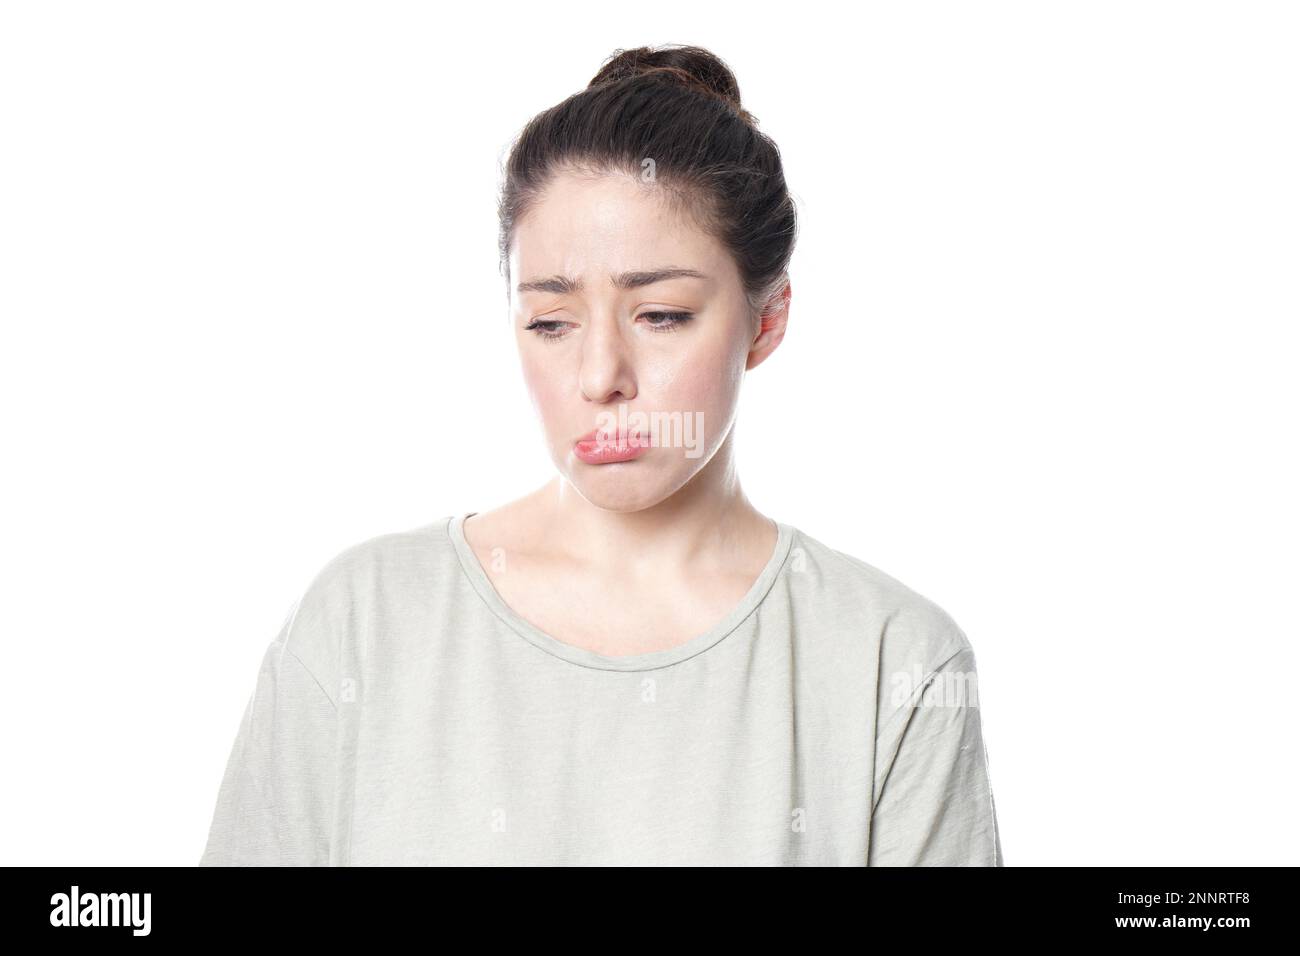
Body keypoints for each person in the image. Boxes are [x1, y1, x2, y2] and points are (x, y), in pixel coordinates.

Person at [199, 43, 1003, 866]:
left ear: (767, 318)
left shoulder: (893, 661)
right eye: (551, 323)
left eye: (659, 314)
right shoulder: (360, 624)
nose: (599, 377)